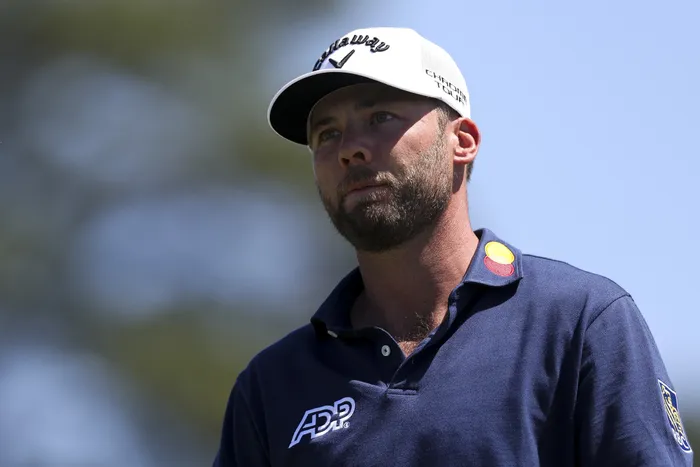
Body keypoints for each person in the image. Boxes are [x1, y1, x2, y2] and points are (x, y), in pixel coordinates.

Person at [213, 26, 694, 466]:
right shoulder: (270, 386)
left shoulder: (580, 321)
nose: (349, 149)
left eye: (380, 117)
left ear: (461, 141)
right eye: (327, 133)